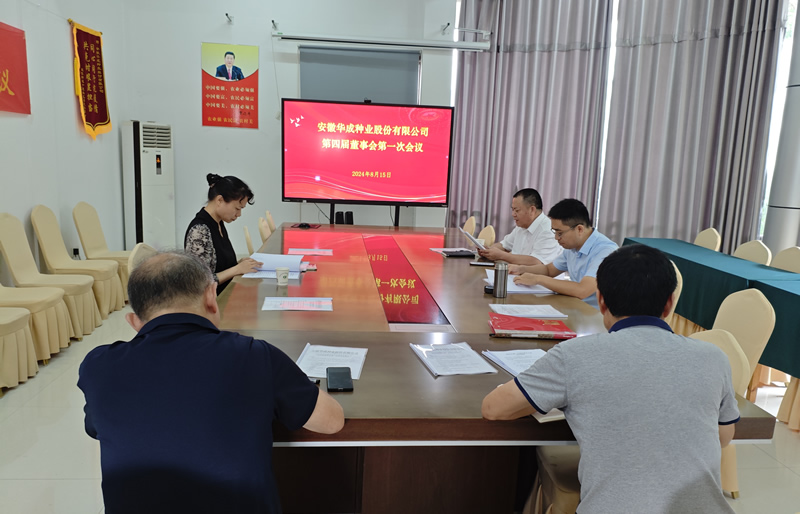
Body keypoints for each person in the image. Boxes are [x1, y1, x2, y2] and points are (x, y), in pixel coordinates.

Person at [78, 252, 345, 514]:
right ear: (211, 297)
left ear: (134, 322)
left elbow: (97, 427)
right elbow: (331, 421)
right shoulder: (253, 355)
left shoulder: (99, 365)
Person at [482, 244, 738, 513]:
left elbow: (494, 408)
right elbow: (723, 435)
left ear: (601, 300)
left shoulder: (574, 355)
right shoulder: (714, 357)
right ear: (669, 304)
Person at [509, 198, 617, 308]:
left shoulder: (605, 251)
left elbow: (583, 290)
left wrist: (538, 279)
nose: (556, 238)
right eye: (554, 232)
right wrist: (521, 269)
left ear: (579, 229)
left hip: (596, 313)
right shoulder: (573, 246)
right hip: (576, 305)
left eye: (560, 233)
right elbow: (549, 270)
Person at [185, 173, 261, 294]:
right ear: (220, 200)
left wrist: (239, 265)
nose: (239, 214)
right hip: (213, 301)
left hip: (227, 294)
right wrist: (237, 269)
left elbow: (220, 267)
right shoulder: (199, 230)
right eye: (237, 208)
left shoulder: (218, 222)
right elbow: (200, 283)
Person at [477, 188, 562, 265]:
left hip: (536, 277)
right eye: (512, 210)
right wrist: (488, 251)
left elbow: (536, 261)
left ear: (532, 210)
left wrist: (501, 255)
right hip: (517, 273)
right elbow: (504, 245)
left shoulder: (548, 230)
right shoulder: (521, 226)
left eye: (517, 210)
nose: (513, 214)